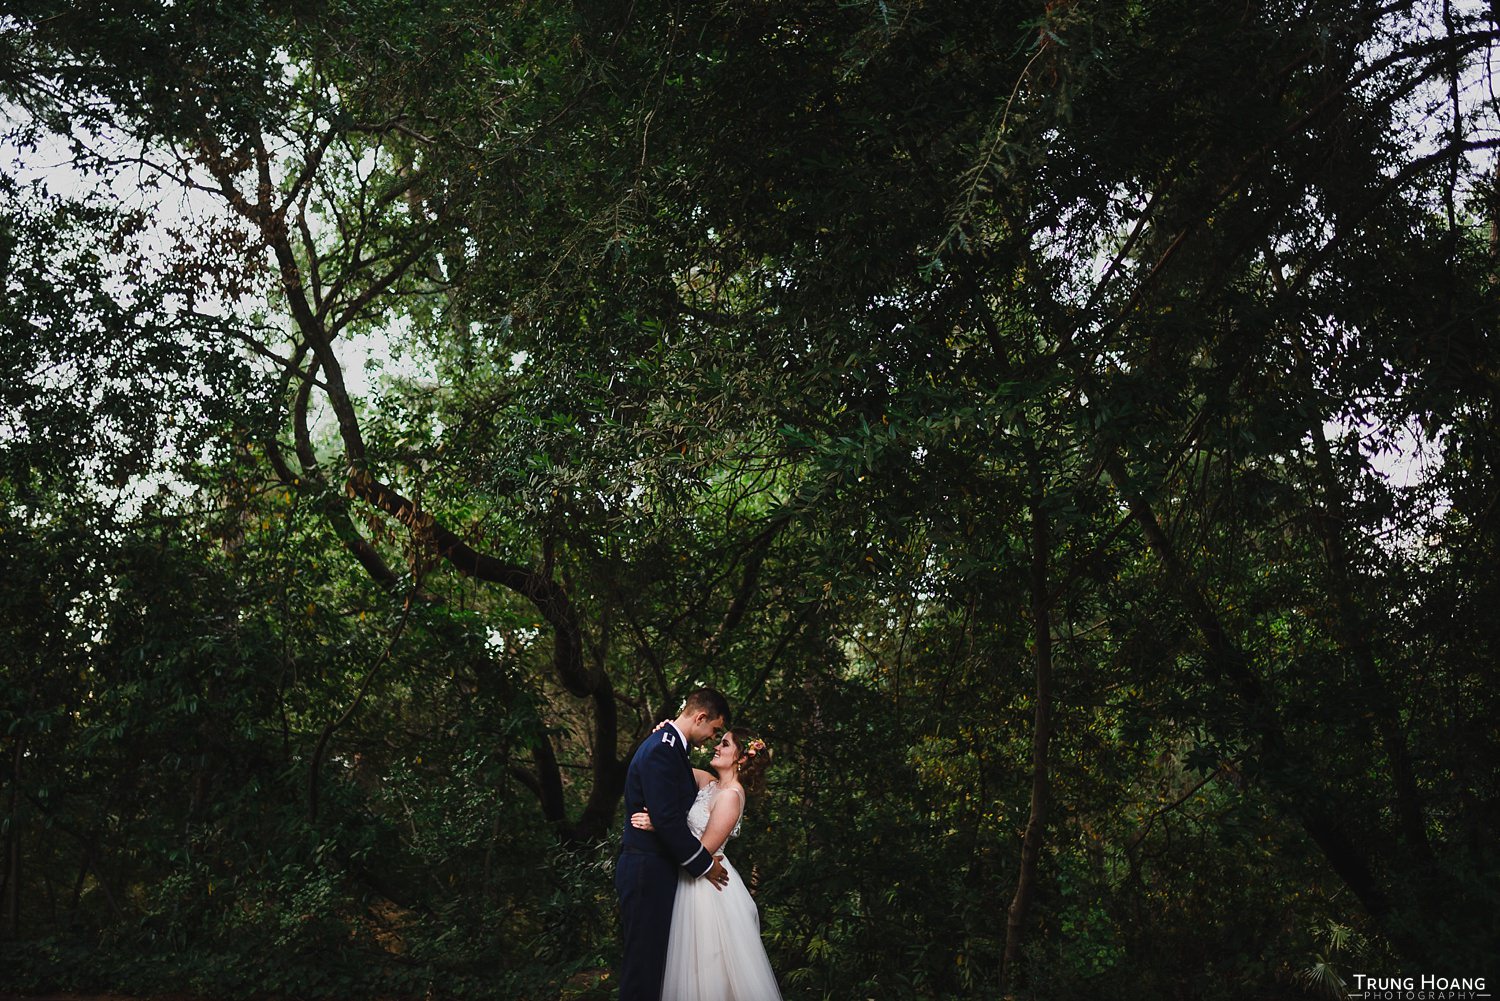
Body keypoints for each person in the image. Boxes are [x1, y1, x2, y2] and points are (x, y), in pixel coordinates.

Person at [631, 726, 782, 1001]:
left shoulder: (731, 796)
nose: (716, 746)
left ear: (742, 758)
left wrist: (659, 825)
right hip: (689, 879)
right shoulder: (709, 783)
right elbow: (670, 763)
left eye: (724, 744)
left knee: (709, 970)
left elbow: (704, 850)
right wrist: (663, 733)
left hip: (708, 888)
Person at [616, 688, 732, 1001]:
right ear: (701, 717)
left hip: (658, 868)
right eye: (714, 730)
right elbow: (667, 819)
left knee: (653, 965)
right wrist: (705, 865)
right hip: (645, 869)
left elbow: (670, 812)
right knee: (642, 968)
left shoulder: (671, 748)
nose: (712, 737)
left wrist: (664, 822)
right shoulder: (662, 748)